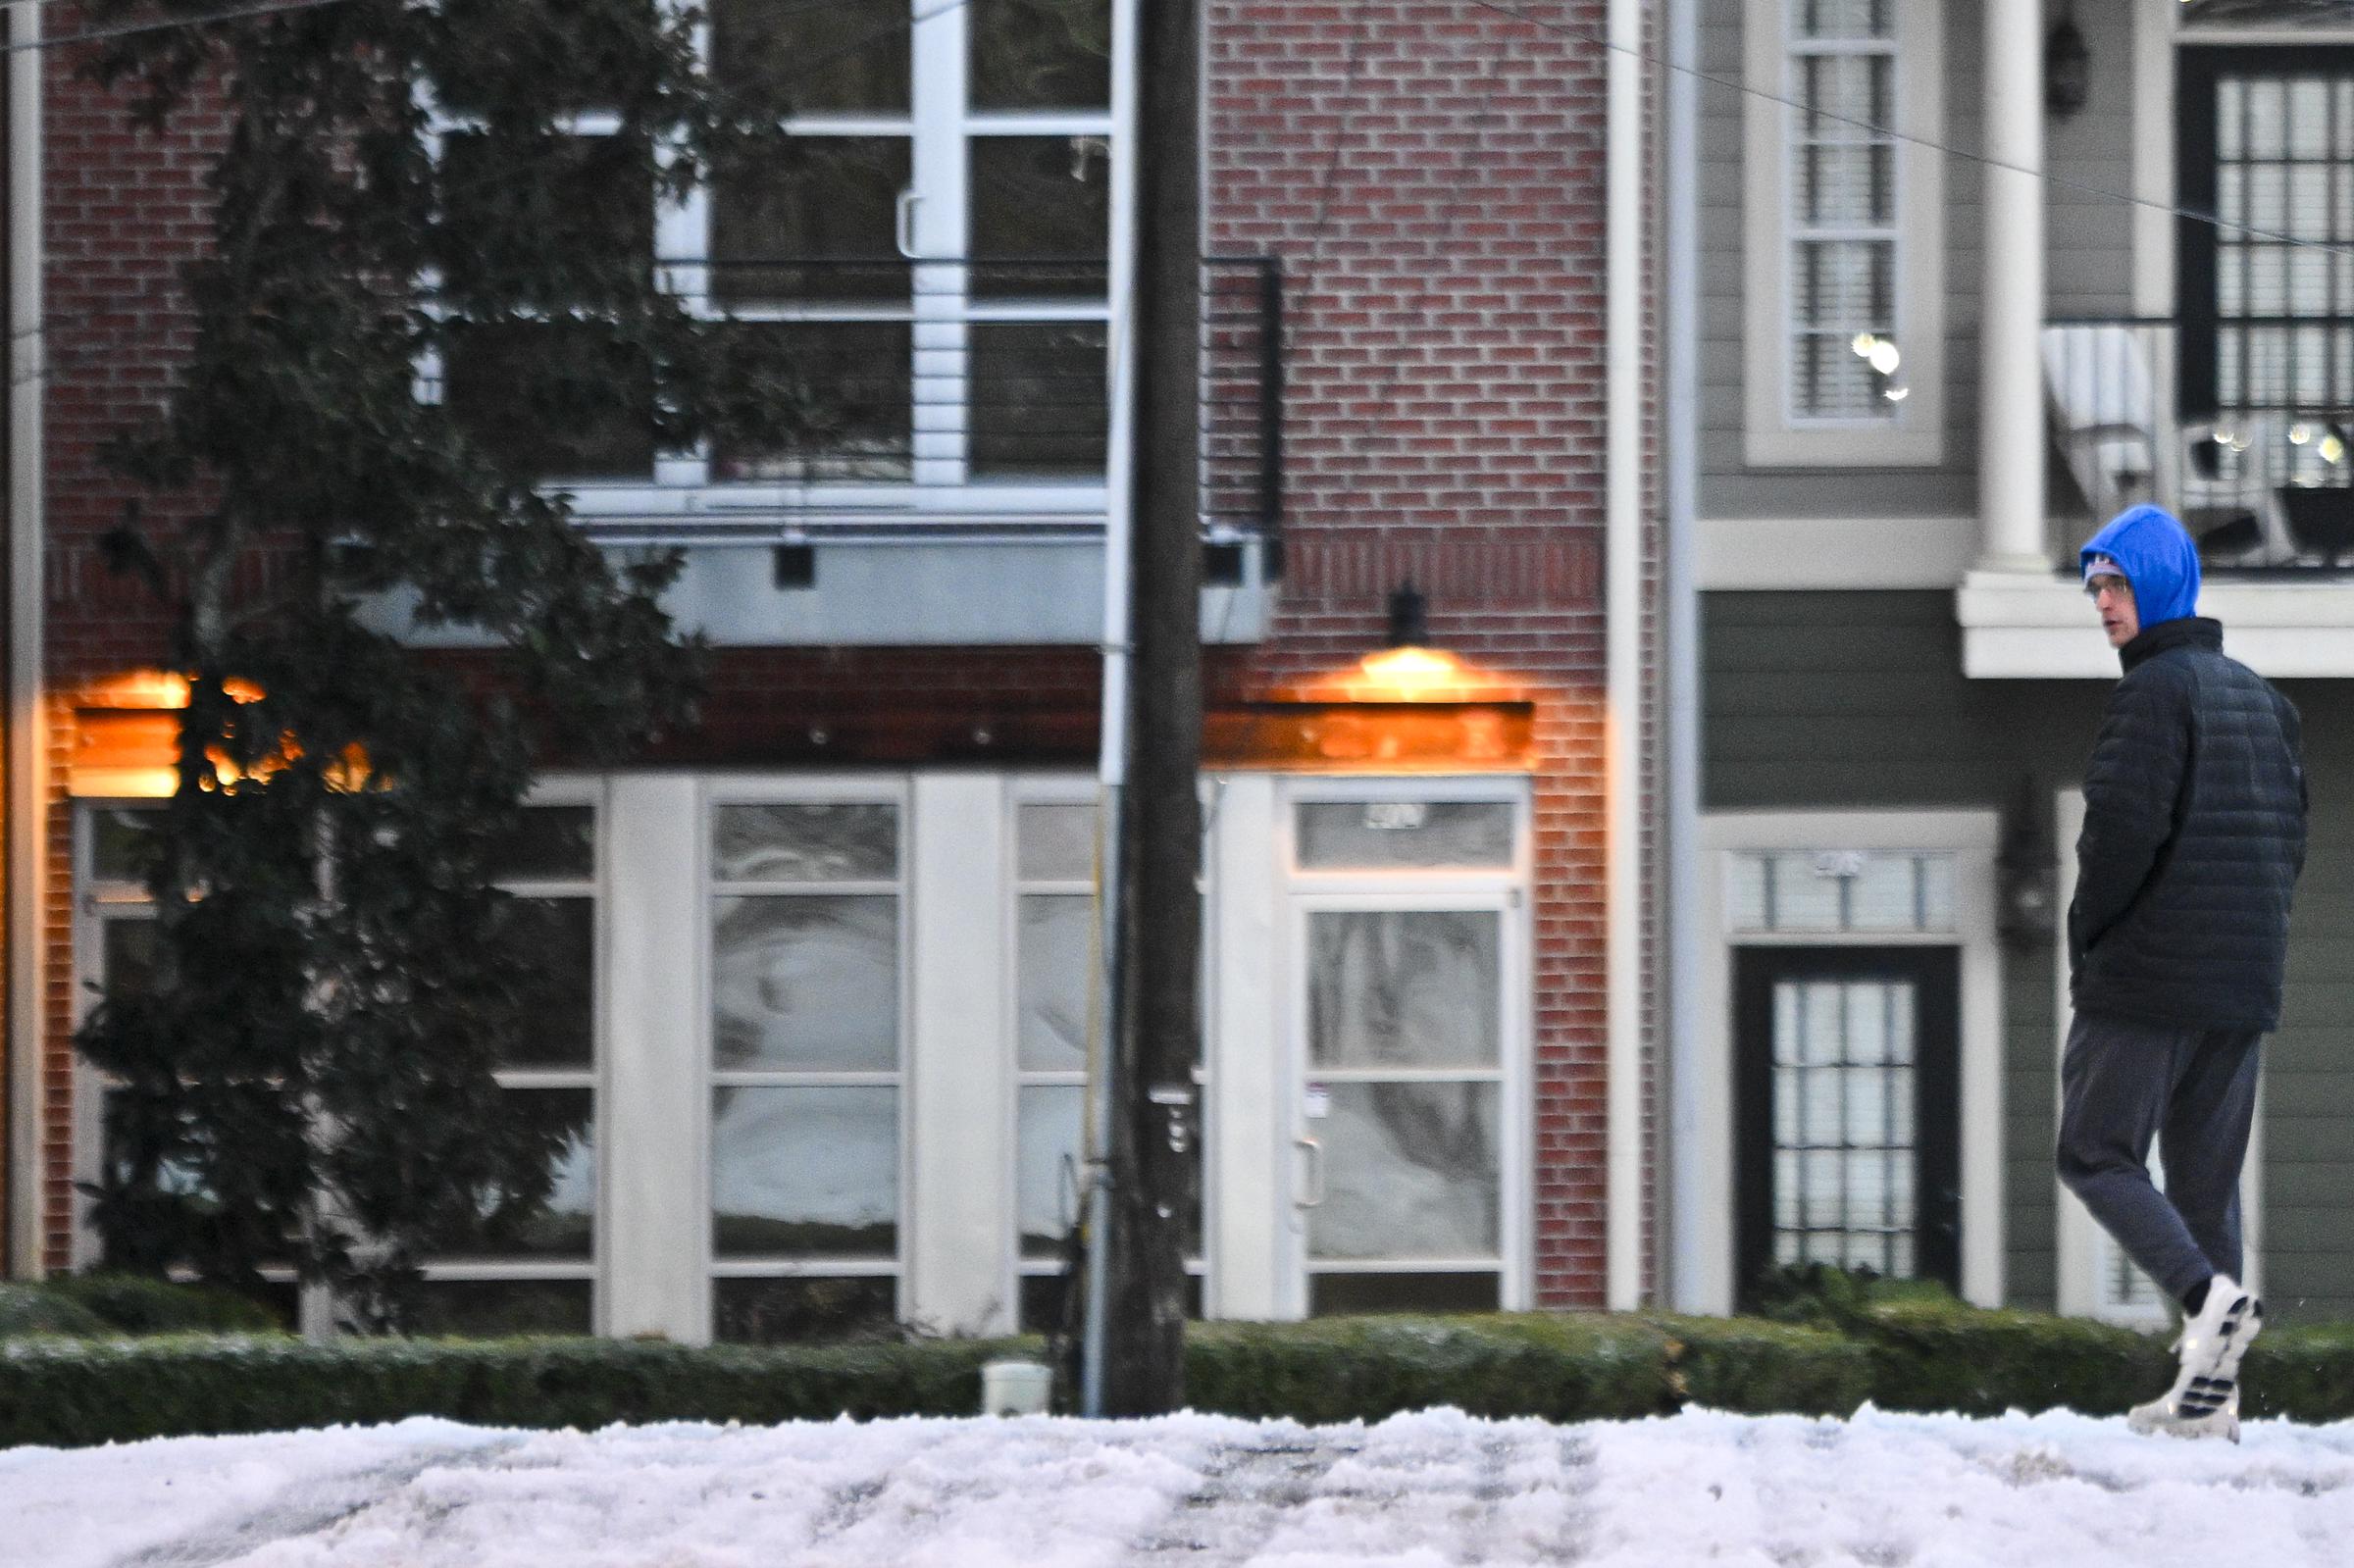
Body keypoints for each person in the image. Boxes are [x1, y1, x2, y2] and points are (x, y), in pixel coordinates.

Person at [2058, 504, 2307, 1442]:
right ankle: (2215, 1398)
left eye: (2117, 583)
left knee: (2094, 1151)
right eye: (2095, 587)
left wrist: (2090, 936)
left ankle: (2208, 1302)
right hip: (2243, 982)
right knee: (2204, 1183)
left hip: (2148, 977)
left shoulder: (2154, 694)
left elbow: (2118, 835)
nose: (2103, 603)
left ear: (2159, 583)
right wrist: (2253, 940)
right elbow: (2293, 838)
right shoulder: (2266, 701)